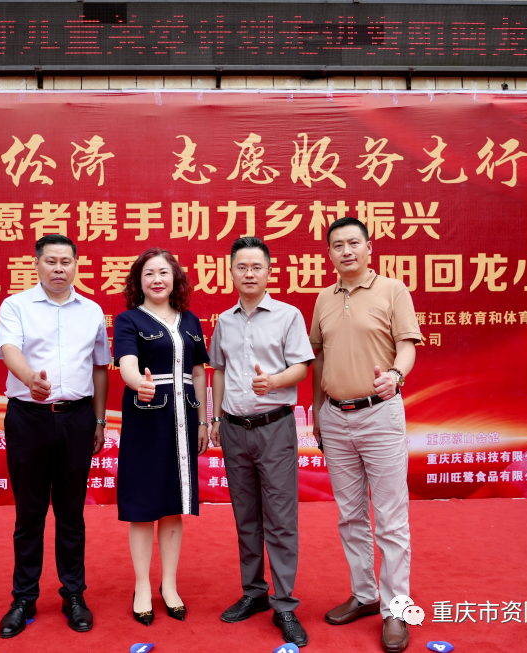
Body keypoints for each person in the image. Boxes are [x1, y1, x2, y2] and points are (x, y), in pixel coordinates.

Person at [309, 217, 422, 653]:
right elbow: (319, 356)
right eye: (337, 245)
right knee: (350, 514)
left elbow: (407, 345)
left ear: (369, 248)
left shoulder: (393, 290)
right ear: (329, 254)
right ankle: (365, 594)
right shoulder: (324, 298)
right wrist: (319, 410)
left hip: (380, 414)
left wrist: (395, 375)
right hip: (336, 419)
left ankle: (396, 608)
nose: (346, 251)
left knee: (390, 519)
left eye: (354, 243)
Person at [0, 234, 111, 639]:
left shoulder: (92, 311)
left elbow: (100, 367)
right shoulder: (16, 306)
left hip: (77, 419)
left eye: (66, 261)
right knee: (30, 514)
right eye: (51, 261)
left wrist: (99, 421)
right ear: (37, 264)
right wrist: (29, 378)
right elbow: (9, 348)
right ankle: (23, 598)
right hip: (28, 418)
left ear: (76, 264)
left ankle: (73, 594)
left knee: (71, 514)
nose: (59, 268)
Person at [208, 236, 314, 647]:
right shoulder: (224, 321)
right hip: (234, 429)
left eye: (257, 267)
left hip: (274, 428)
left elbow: (301, 367)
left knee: (281, 519)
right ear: (231, 272)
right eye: (242, 267)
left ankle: (284, 604)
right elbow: (218, 369)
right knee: (246, 517)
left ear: (269, 272)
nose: (249, 274)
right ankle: (253, 592)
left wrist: (274, 381)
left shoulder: (288, 316)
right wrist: (215, 418)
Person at [113, 248, 209, 626]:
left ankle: (169, 585)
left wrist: (203, 421)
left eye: (164, 272)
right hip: (146, 420)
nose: (157, 279)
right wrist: (138, 382)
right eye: (149, 273)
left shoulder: (191, 320)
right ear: (139, 282)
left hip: (184, 421)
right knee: (142, 506)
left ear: (175, 279)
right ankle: (141, 585)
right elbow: (127, 364)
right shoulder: (128, 319)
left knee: (172, 504)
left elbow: (198, 373)